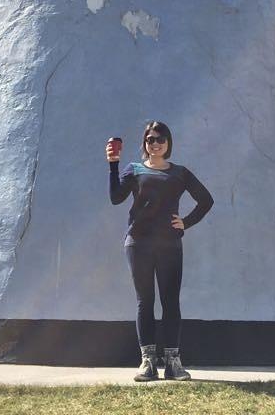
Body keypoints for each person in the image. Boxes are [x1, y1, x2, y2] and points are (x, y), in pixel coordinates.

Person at [107, 120, 213, 381]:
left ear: (168, 142)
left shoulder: (180, 173)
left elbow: (206, 200)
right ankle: (147, 363)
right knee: (145, 302)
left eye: (160, 139)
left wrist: (185, 222)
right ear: (145, 143)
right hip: (138, 244)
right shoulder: (134, 170)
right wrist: (113, 164)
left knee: (170, 302)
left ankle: (174, 363)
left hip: (169, 245)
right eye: (150, 139)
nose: (155, 143)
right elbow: (115, 198)